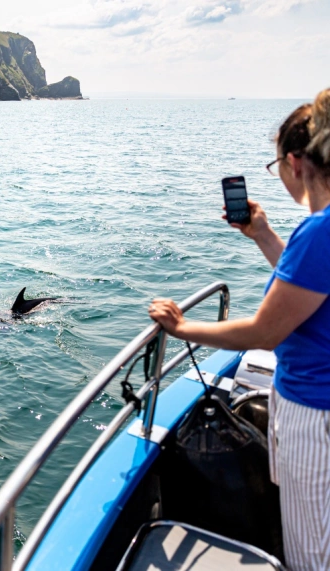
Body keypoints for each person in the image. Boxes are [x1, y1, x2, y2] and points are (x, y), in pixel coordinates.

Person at [148, 88, 330, 571]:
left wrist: (184, 328)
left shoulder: (319, 232)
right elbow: (308, 294)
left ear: (295, 163)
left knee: (313, 553)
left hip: (316, 414)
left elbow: (266, 332)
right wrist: (266, 236)